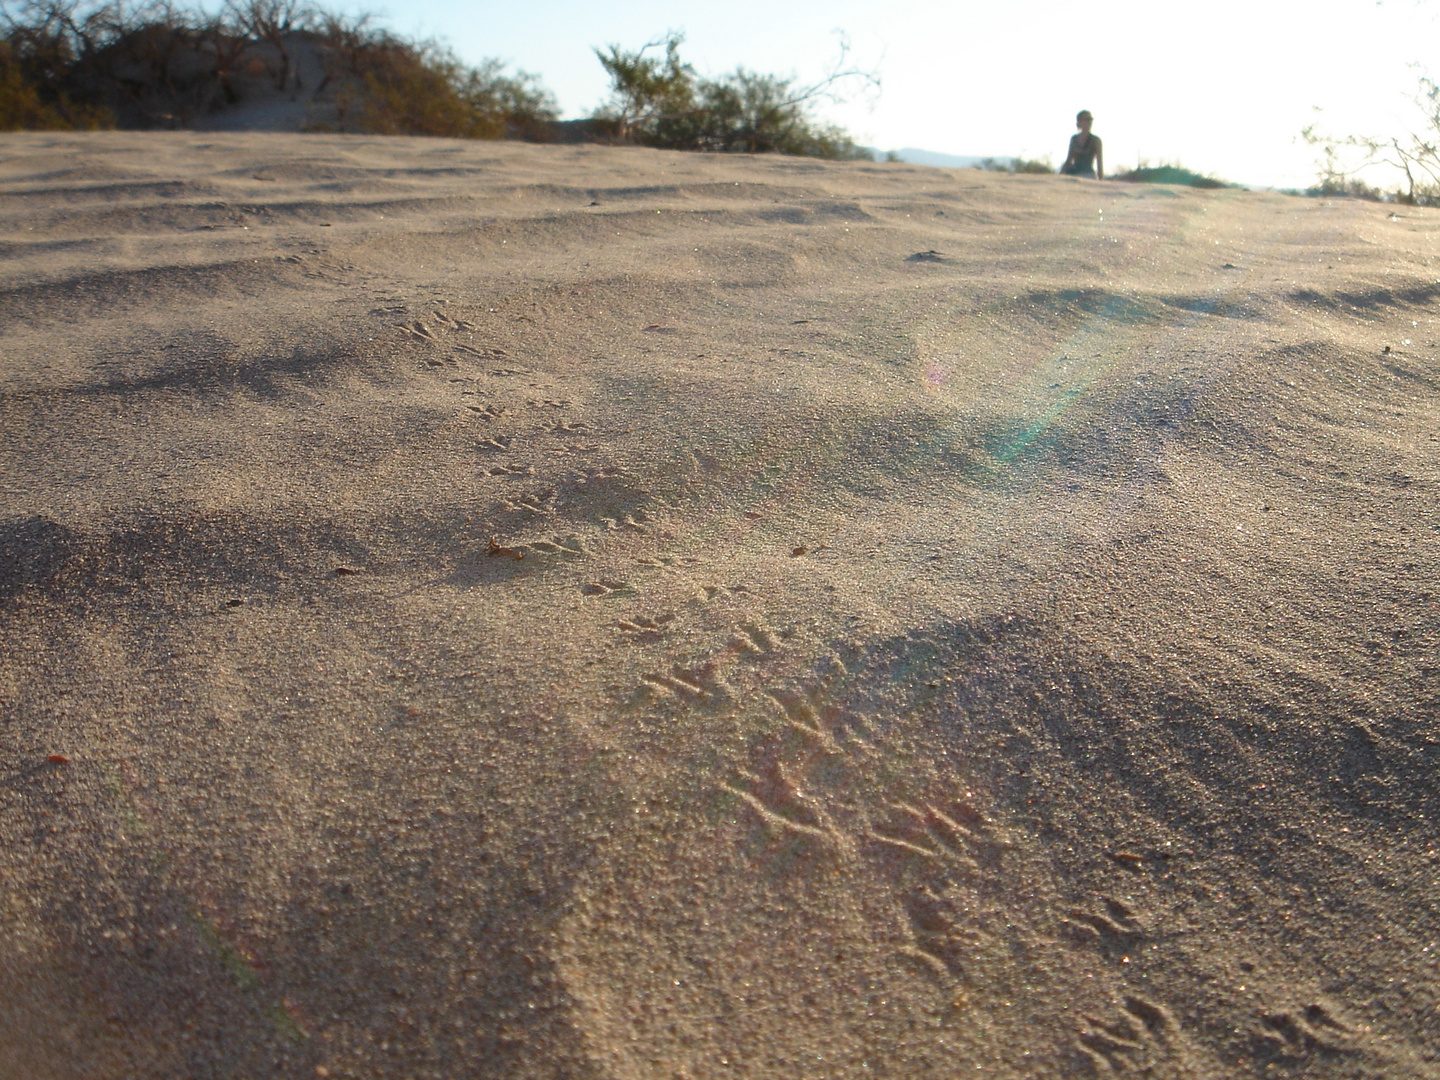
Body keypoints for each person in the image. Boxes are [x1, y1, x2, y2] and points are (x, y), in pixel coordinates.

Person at [1061, 110, 1104, 179]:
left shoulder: (1096, 140)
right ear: (1079, 121)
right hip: (1074, 174)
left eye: (1090, 120)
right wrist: (1061, 175)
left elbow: (1100, 163)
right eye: (1087, 119)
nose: (1089, 122)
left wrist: (1101, 180)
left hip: (1089, 175)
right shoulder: (1074, 139)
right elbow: (1069, 160)